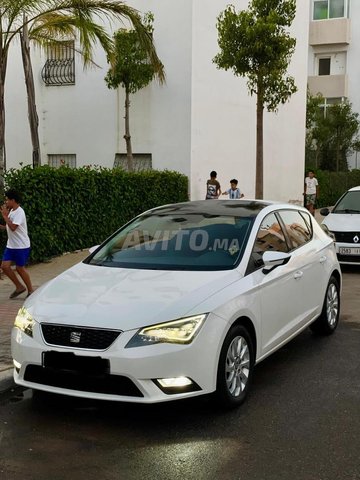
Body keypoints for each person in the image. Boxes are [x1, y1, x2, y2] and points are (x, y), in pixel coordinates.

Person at [0, 189, 34, 298]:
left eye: (7, 200)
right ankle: (19, 287)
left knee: (20, 268)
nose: (6, 202)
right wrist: (3, 227)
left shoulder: (20, 212)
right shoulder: (12, 211)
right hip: (11, 245)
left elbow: (14, 227)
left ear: (13, 200)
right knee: (4, 267)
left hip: (21, 246)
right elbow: (10, 227)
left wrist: (5, 217)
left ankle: (30, 290)